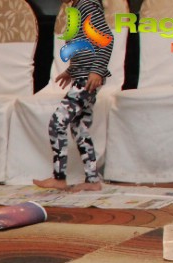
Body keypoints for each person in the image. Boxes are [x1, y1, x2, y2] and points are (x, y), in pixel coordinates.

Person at [32, 0, 113, 192]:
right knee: (79, 127)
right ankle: (92, 180)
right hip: (83, 75)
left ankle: (59, 178)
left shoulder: (87, 5)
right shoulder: (77, 8)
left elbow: (106, 38)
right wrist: (71, 70)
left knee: (57, 122)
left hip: (87, 79)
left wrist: (97, 71)